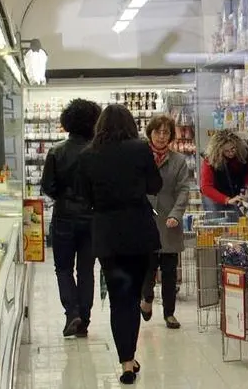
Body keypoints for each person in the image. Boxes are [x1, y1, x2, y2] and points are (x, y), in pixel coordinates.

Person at [76, 104, 162, 385]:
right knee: (134, 295)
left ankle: (126, 360)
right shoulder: (139, 149)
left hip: (107, 235)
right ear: (130, 125)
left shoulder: (88, 155)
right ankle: (129, 357)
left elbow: (83, 197)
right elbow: (154, 186)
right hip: (138, 230)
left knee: (119, 298)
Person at [40, 98, 101, 338]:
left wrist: (63, 197)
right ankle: (84, 319)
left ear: (67, 122)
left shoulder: (56, 151)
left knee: (63, 268)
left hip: (64, 217)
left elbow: (48, 186)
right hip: (92, 218)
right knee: (86, 270)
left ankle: (72, 313)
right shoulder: (98, 152)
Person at [139, 115, 190, 329]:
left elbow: (183, 190)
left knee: (169, 272)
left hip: (170, 222)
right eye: (158, 132)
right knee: (147, 269)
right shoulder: (140, 157)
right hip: (146, 221)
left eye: (166, 133)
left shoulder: (178, 160)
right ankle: (147, 299)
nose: (161, 136)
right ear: (150, 133)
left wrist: (176, 214)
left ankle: (169, 313)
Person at [200, 129, 248, 214]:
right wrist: (226, 200)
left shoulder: (244, 152)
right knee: (217, 222)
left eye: (233, 149)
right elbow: (206, 187)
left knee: (238, 221)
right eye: (226, 151)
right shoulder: (210, 159)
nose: (230, 153)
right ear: (219, 150)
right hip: (215, 195)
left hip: (236, 192)